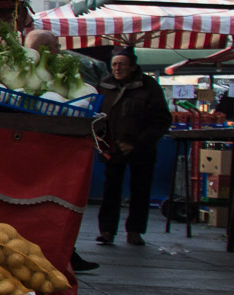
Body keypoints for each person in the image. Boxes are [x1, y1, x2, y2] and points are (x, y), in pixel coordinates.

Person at [23, 29, 101, 273]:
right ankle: (61, 254)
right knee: (53, 205)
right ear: (46, 48)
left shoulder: (51, 72)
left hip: (45, 147)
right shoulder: (31, 71)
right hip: (41, 147)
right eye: (55, 46)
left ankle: (66, 253)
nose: (59, 50)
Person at [94, 45, 172, 246]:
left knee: (140, 190)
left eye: (122, 64)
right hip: (113, 147)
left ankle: (135, 231)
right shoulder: (105, 85)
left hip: (142, 149)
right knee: (111, 190)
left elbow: (162, 120)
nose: (117, 68)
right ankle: (107, 231)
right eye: (114, 65)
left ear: (133, 66)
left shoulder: (149, 86)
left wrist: (137, 143)